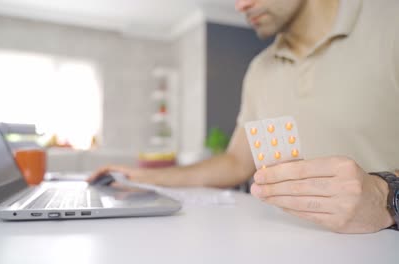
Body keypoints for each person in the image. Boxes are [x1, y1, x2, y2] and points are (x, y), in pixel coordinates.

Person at [90, 0, 399, 234]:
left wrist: (385, 196)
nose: (239, 5)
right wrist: (141, 177)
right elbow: (236, 163)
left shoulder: (390, 22)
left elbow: (383, 199)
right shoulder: (259, 70)